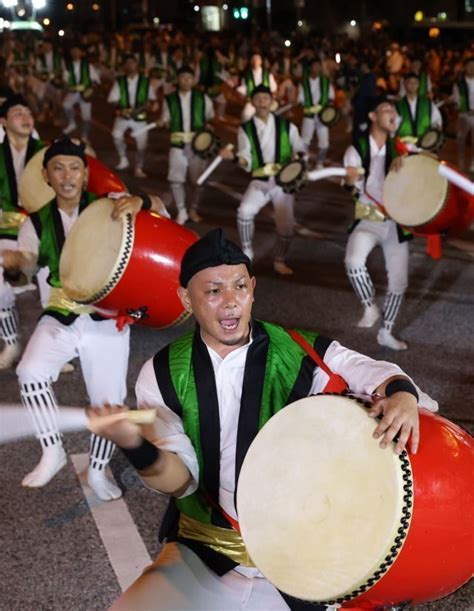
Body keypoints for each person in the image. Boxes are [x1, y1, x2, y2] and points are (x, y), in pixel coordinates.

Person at [87, 228, 437, 610]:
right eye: (214, 290)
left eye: (240, 286)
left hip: (300, 554)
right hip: (207, 551)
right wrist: (135, 446)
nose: (231, 302)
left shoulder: (298, 350)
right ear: (185, 297)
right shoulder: (163, 373)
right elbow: (181, 481)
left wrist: (401, 393)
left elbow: (369, 370)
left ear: (253, 287)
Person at [0, 138, 167, 501]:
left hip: (107, 317)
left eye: (74, 167)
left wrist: (141, 201)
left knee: (109, 401)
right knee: (29, 373)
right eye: (57, 168)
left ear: (86, 172)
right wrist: (14, 267)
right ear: (46, 175)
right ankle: (52, 450)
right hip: (61, 315)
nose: (67, 175)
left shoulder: (109, 206)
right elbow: (25, 271)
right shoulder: (36, 222)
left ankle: (98, 468)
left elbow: (163, 211)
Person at [343, 96, 412, 351]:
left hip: (396, 222)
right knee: (353, 262)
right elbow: (351, 186)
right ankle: (369, 305)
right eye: (385, 109)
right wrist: (350, 180)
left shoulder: (402, 149)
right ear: (372, 117)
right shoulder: (357, 149)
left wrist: (406, 165)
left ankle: (386, 330)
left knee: (399, 281)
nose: (392, 113)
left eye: (393, 110)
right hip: (368, 218)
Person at [220, 84, 306, 276]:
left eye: (265, 99)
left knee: (286, 225)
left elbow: (300, 147)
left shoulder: (286, 126)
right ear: (252, 103)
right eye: (258, 99)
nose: (262, 103)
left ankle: (279, 260)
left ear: (272, 101)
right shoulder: (246, 129)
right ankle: (247, 251)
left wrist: (299, 158)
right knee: (244, 211)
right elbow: (246, 159)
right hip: (260, 180)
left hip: (283, 182)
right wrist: (233, 157)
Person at [0, 95, 45, 369]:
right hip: (5, 227)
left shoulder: (46, 152)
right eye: (18, 112)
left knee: (50, 290)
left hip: (42, 228)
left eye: (28, 111)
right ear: (3, 122)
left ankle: (51, 350)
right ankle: (12, 342)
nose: (26, 116)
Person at [161, 65, 214, 225]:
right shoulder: (169, 99)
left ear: (193, 80)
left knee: (198, 180)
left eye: (189, 78)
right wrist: (162, 122)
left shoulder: (202, 98)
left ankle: (193, 209)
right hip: (177, 143)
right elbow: (165, 119)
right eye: (183, 77)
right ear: (178, 79)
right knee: (176, 179)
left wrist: (210, 127)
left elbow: (210, 117)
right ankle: (182, 211)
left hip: (198, 145)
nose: (186, 80)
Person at [107, 53, 156, 178]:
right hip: (124, 116)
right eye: (127, 63)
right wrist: (120, 109)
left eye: (132, 62)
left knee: (142, 144)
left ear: (137, 65)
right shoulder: (120, 81)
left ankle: (139, 167)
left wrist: (149, 106)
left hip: (140, 118)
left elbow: (152, 99)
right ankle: (123, 158)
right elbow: (112, 99)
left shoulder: (145, 82)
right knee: (116, 135)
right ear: (124, 66)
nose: (130, 65)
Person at [297, 57, 335, 168]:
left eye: (319, 66)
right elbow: (300, 100)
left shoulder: (326, 81)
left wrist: (326, 108)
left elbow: (331, 97)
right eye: (315, 66)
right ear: (310, 68)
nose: (317, 68)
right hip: (308, 115)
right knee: (305, 140)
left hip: (322, 116)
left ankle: (320, 161)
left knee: (324, 142)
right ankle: (304, 161)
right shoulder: (303, 83)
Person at [62, 44, 100, 142]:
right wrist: (67, 86)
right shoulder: (68, 65)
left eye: (77, 50)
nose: (75, 53)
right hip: (74, 92)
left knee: (86, 116)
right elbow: (65, 79)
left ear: (81, 53)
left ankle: (85, 135)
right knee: (66, 105)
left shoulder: (88, 65)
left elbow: (96, 80)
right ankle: (72, 123)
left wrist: (90, 90)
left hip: (86, 93)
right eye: (73, 51)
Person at [395, 73, 442, 148]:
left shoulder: (428, 104)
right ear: (405, 84)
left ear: (418, 84)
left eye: (415, 83)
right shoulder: (397, 105)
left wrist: (432, 137)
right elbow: (393, 126)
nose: (413, 85)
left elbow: (437, 122)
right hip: (404, 145)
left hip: (424, 143)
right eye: (410, 82)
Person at [236, 52, 278, 122]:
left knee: (268, 117)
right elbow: (244, 88)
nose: (255, 62)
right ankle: (247, 130)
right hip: (252, 101)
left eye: (257, 60)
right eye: (253, 60)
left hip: (265, 101)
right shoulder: (247, 75)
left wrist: (272, 98)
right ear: (251, 62)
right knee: (246, 115)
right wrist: (241, 94)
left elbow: (273, 89)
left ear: (261, 61)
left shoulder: (267, 75)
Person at [452, 57, 474, 172]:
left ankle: (473, 163)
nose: (472, 68)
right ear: (465, 68)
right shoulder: (459, 84)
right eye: (469, 66)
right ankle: (460, 162)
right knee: (461, 139)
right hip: (463, 114)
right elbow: (456, 99)